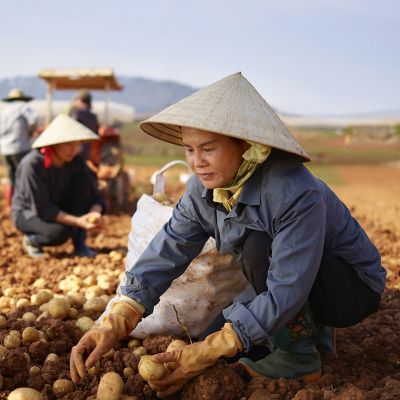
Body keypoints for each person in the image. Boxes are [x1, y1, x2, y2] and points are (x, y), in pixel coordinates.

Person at [70, 73, 386, 396]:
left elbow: (287, 287)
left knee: (255, 249)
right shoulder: (203, 189)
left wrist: (213, 349)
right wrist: (117, 318)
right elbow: (170, 247)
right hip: (299, 276)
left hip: (351, 286)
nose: (196, 162)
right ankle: (311, 331)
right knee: (213, 337)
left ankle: (298, 358)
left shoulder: (293, 191)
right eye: (189, 149)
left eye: (207, 148)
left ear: (248, 146)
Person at [12, 114, 104, 259]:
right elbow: (42, 208)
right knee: (59, 233)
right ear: (54, 143)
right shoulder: (32, 165)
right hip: (29, 213)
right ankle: (32, 240)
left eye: (77, 144)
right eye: (68, 144)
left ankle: (80, 244)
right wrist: (78, 221)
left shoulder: (76, 162)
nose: (73, 150)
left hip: (56, 206)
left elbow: (95, 194)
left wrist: (95, 212)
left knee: (82, 185)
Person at [0, 88, 37, 213]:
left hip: (5, 149)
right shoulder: (22, 106)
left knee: (11, 177)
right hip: (20, 147)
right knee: (24, 176)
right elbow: (33, 120)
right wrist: (30, 132)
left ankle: (9, 205)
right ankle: (23, 205)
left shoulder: (4, 110)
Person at [70, 90, 100, 163]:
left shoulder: (77, 113)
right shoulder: (94, 117)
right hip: (87, 151)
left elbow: (70, 130)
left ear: (81, 100)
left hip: (75, 149)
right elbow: (96, 132)